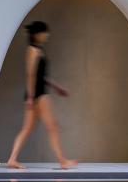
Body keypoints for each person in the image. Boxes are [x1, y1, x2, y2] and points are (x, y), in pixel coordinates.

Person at [6, 21, 77, 169]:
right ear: (37, 34)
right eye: (44, 32)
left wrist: (57, 87)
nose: (47, 35)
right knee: (52, 126)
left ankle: (12, 159)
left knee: (28, 128)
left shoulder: (38, 50)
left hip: (36, 94)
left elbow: (41, 76)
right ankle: (62, 161)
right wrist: (31, 97)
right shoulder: (33, 50)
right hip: (38, 94)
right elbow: (30, 74)